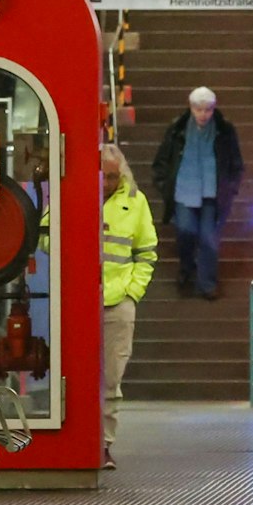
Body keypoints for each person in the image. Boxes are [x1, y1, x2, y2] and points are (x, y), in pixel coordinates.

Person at [150, 87, 245, 300]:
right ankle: (186, 266)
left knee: (209, 239)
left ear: (214, 109)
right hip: (184, 191)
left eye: (208, 110)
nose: (203, 114)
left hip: (212, 193)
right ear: (191, 108)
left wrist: (230, 188)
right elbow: (162, 160)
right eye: (199, 109)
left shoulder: (225, 130)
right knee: (185, 230)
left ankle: (207, 284)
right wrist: (165, 185)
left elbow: (236, 163)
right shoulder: (177, 129)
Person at [100, 144, 157, 469]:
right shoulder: (75, 194)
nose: (106, 182)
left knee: (111, 379)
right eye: (102, 175)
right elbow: (47, 235)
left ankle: (104, 444)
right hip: (81, 301)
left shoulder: (135, 203)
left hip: (117, 302)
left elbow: (147, 252)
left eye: (112, 176)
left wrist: (132, 292)